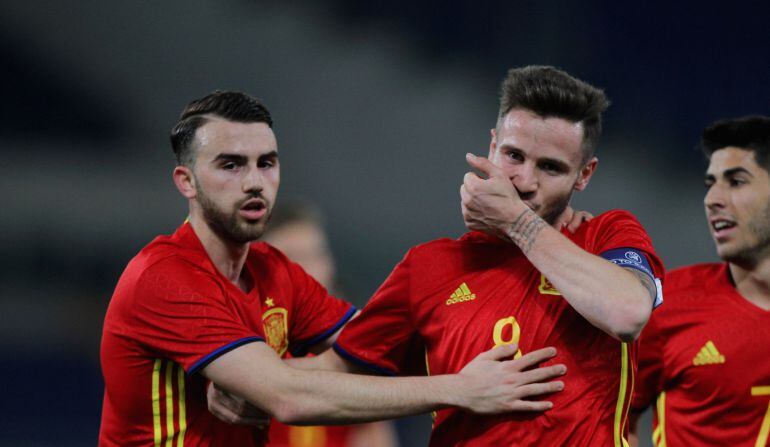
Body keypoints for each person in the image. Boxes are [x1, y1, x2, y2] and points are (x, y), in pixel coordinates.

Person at [215, 66, 665, 445]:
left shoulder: (607, 234)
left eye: (550, 167)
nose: (524, 180)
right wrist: (254, 388)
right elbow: (332, 376)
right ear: (491, 145)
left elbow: (626, 313)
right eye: (513, 156)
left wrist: (516, 223)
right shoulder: (429, 267)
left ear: (585, 174)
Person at [98, 91, 569, 446]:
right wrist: (459, 389)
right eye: (230, 165)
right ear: (187, 182)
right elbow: (289, 397)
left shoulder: (275, 272)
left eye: (266, 163)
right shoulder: (163, 278)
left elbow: (379, 350)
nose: (255, 182)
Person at [630, 116, 770, 447]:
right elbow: (616, 418)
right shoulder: (669, 304)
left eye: (736, 181)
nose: (711, 200)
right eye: (710, 184)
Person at [261, 201, 399, 447]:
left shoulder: (352, 343)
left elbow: (372, 435)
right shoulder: (241, 348)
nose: (309, 270)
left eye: (317, 254)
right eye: (294, 258)